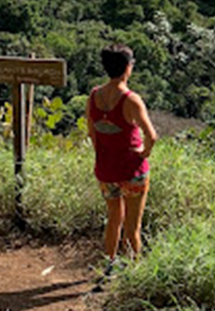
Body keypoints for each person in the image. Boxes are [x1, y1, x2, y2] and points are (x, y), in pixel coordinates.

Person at [86, 44, 158, 272]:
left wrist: (104, 154)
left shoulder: (94, 95)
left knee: (114, 217)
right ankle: (134, 273)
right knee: (132, 228)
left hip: (106, 171)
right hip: (132, 172)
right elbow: (152, 136)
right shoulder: (131, 99)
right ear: (128, 67)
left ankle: (109, 264)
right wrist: (143, 153)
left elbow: (92, 132)